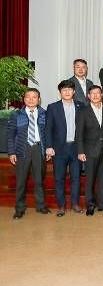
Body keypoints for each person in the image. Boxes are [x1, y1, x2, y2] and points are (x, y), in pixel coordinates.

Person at [8, 88, 50, 219]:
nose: (31, 99)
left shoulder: (44, 114)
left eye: (34, 97)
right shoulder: (16, 115)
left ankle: (41, 206)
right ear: (24, 99)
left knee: (39, 180)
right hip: (22, 149)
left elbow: (48, 134)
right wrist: (11, 152)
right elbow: (10, 135)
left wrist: (48, 148)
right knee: (21, 181)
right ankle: (19, 208)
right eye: (28, 97)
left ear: (39, 99)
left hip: (38, 148)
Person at [45, 80, 84, 217]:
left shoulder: (81, 106)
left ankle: (75, 204)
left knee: (76, 178)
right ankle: (61, 206)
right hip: (59, 149)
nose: (67, 92)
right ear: (60, 92)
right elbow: (48, 128)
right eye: (64, 90)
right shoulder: (53, 107)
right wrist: (49, 146)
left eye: (69, 90)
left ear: (74, 91)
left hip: (76, 148)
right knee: (59, 178)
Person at [76, 85, 103, 216]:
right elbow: (79, 133)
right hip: (89, 150)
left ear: (102, 95)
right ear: (89, 96)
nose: (95, 95)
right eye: (92, 93)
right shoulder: (83, 112)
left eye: (98, 93)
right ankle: (90, 205)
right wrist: (80, 151)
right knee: (90, 179)